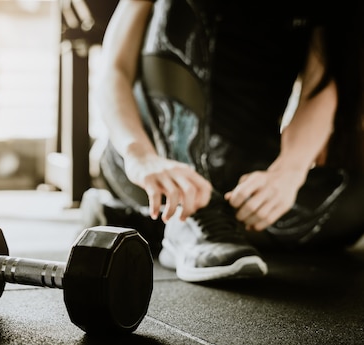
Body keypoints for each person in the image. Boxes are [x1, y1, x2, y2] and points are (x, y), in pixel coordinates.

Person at [82, 0, 364, 282]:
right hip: (154, 160)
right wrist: (138, 154)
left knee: (356, 205)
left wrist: (289, 172)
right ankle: (191, 216)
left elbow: (321, 85)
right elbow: (114, 70)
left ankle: (149, 225)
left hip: (240, 173)